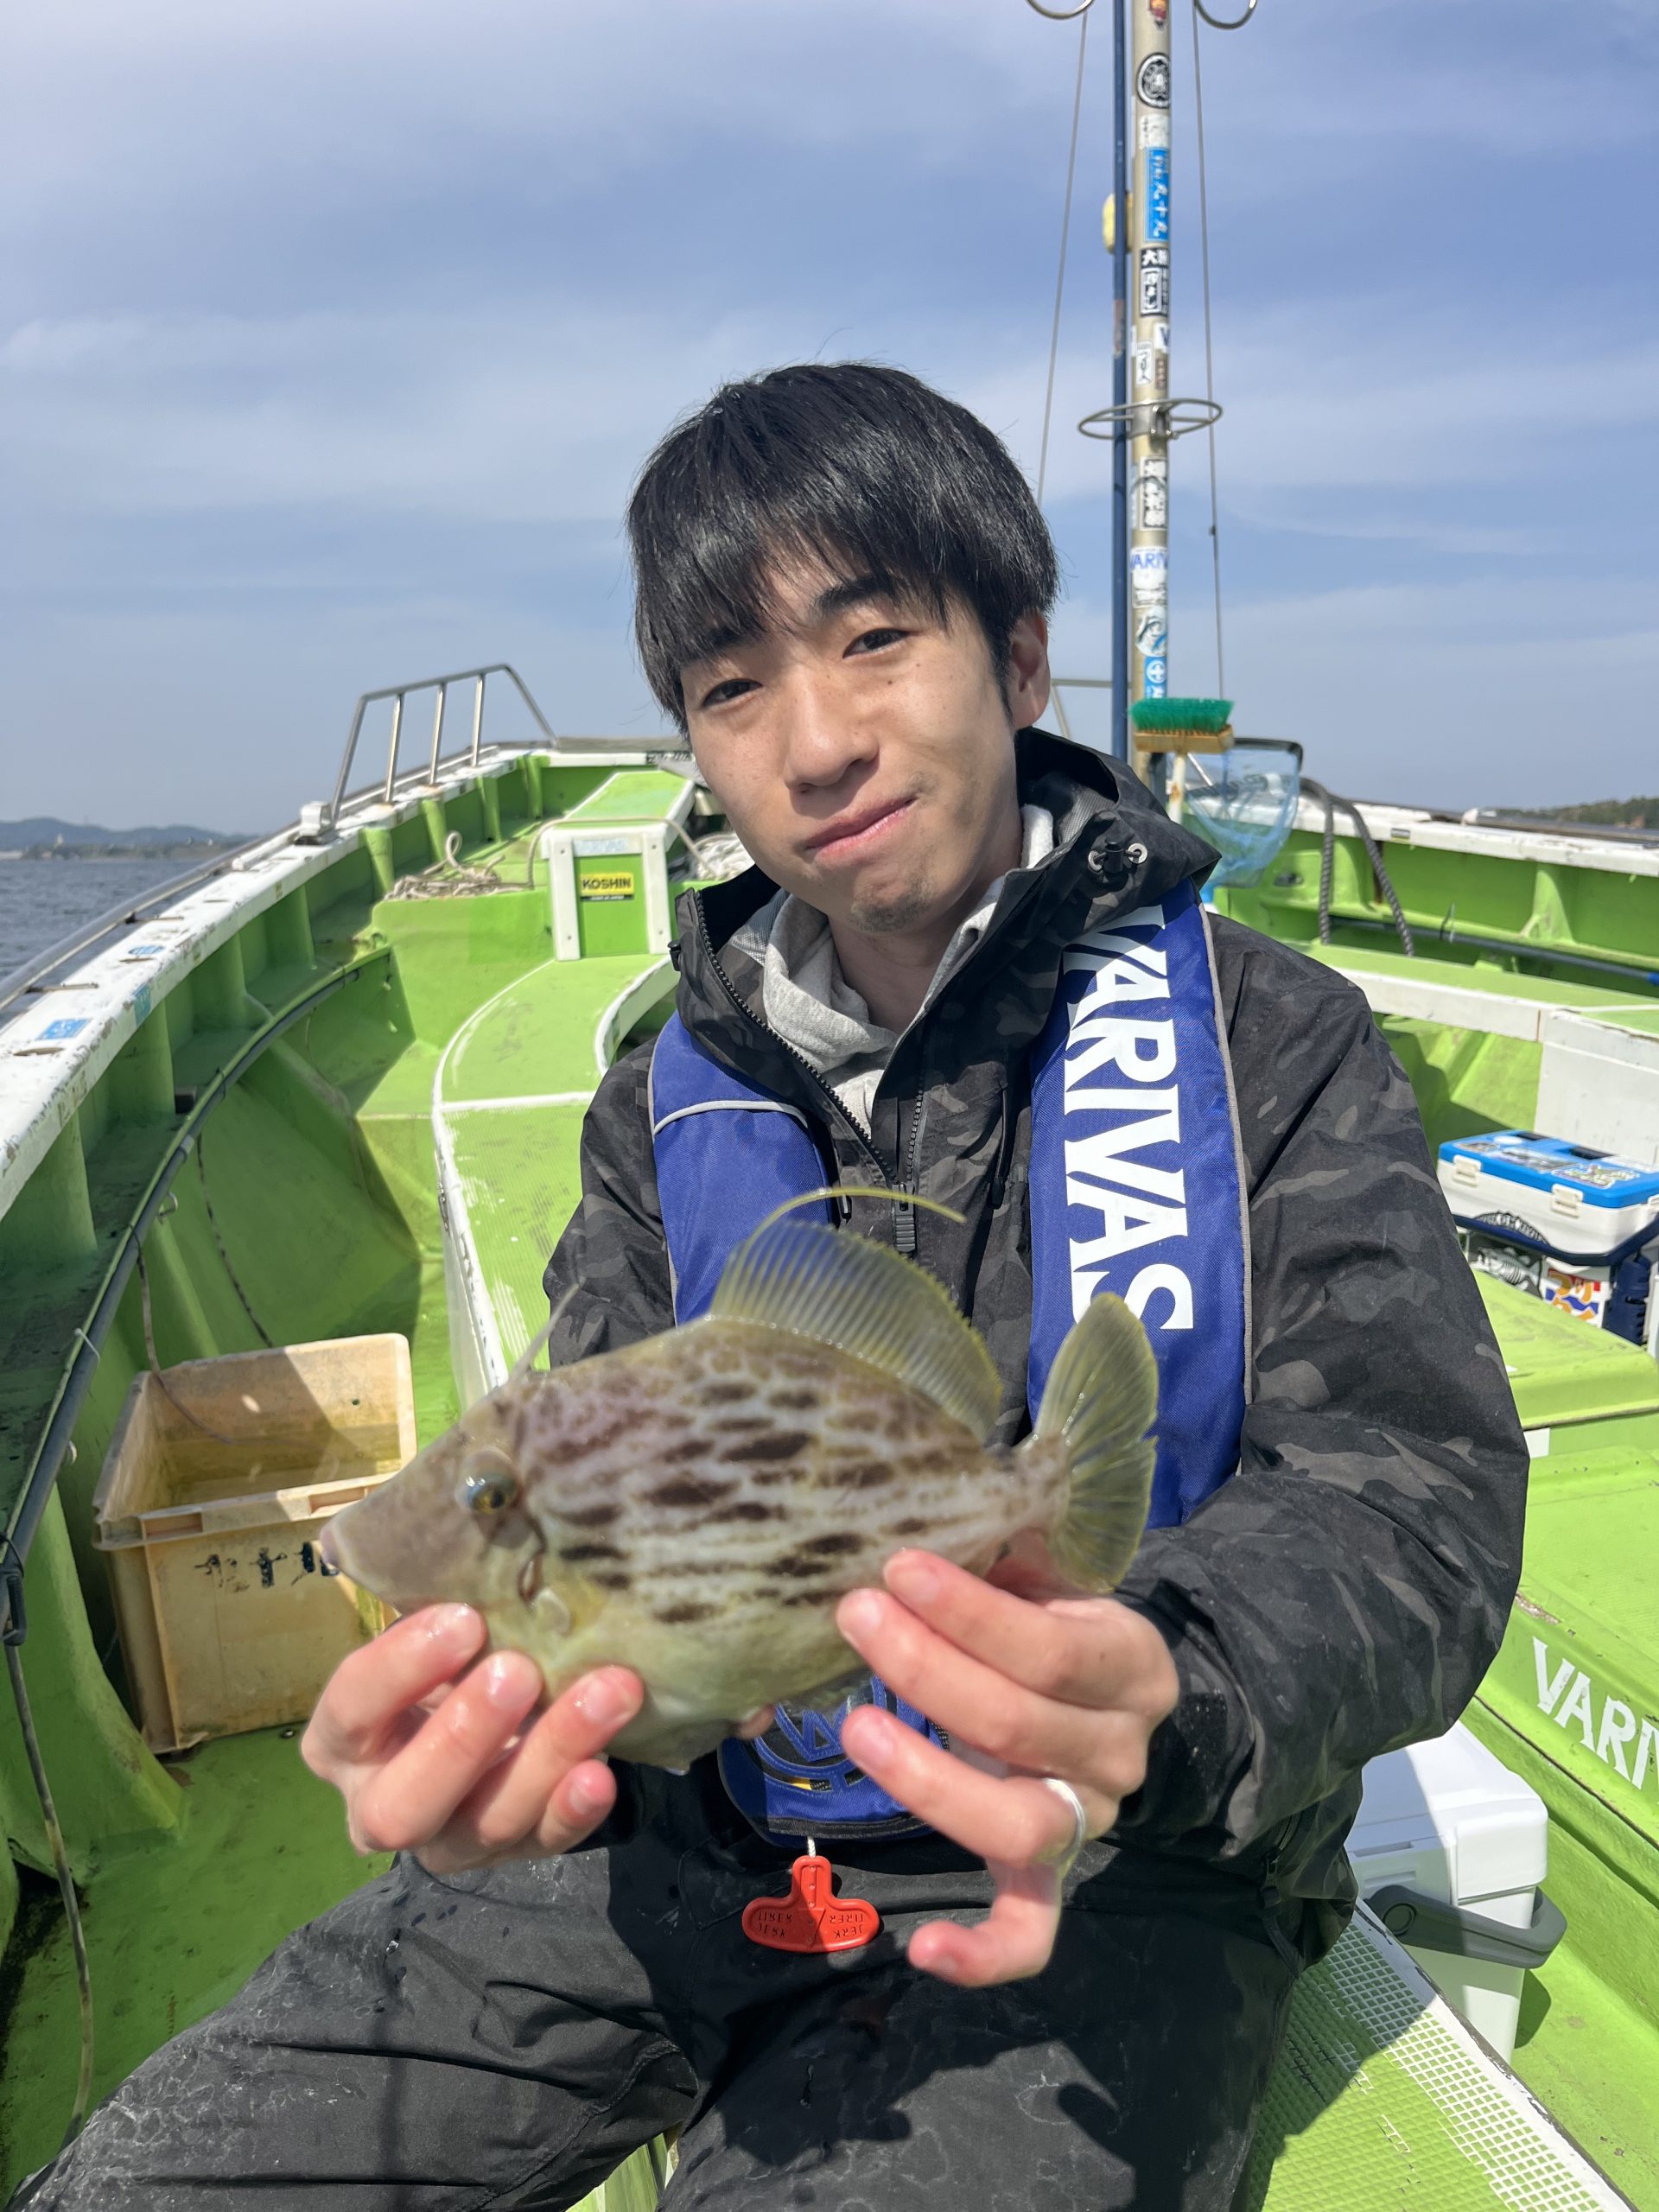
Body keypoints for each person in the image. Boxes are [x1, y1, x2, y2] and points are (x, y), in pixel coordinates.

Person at [20, 363, 1527, 2210]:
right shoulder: (658, 1097)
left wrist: (1174, 1670)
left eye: (876, 639)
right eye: (732, 688)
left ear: (1022, 660)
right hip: (682, 1832)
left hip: (1115, 1862)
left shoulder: (1269, 1041)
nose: (815, 743)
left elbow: (1420, 1499)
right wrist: (519, 1732)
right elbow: (619, 1483)